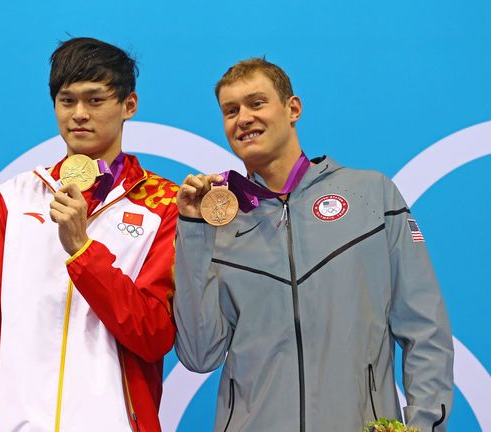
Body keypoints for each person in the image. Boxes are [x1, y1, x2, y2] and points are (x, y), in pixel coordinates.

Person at [173, 58, 453, 431]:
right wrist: (193, 230)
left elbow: (425, 329)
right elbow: (199, 354)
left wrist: (424, 426)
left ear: (293, 109)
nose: (242, 118)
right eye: (230, 110)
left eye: (257, 103)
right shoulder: (217, 223)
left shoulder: (372, 195)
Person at [0, 37, 178, 432]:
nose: (79, 114)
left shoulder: (165, 204)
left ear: (130, 105)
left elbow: (154, 334)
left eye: (95, 100)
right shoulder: (14, 197)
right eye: (67, 100)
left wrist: (82, 250)